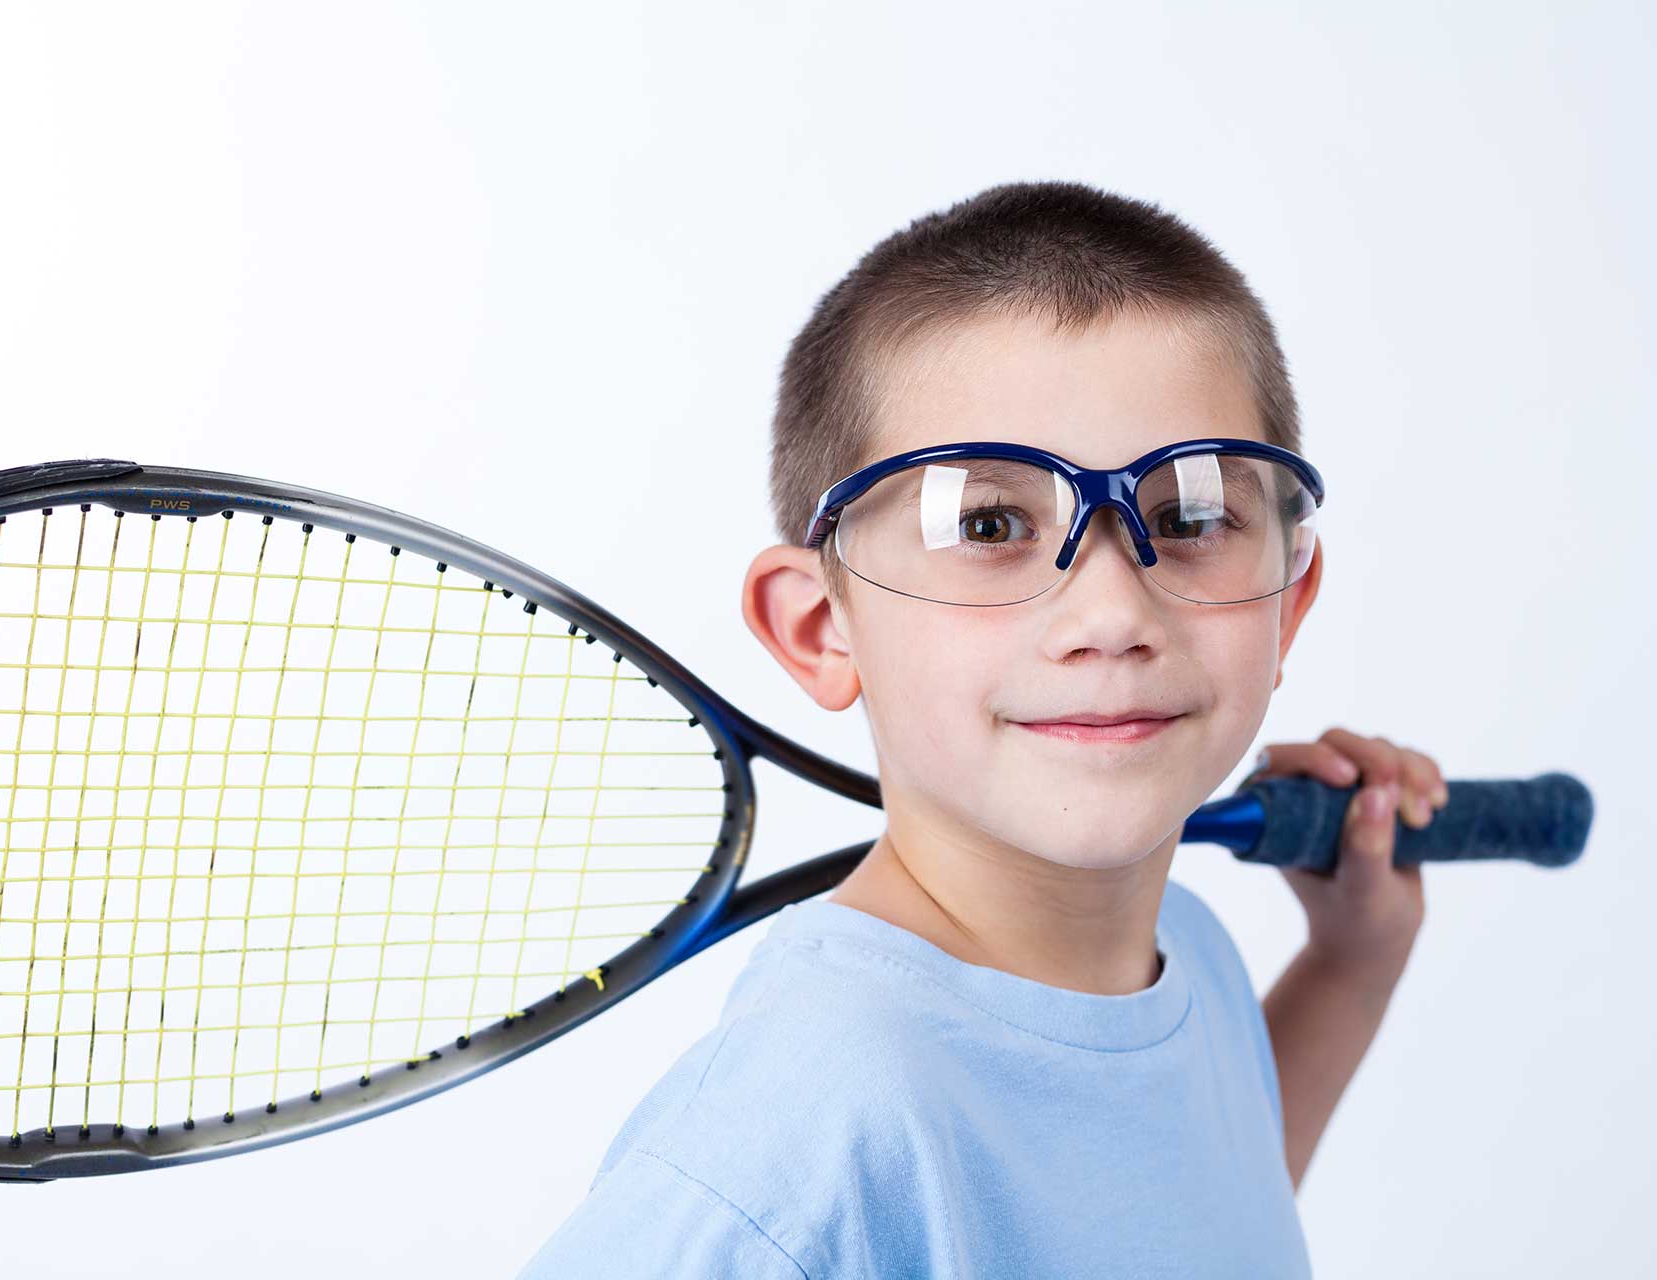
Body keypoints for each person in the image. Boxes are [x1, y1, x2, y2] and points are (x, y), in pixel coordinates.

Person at [518, 179, 1443, 1277]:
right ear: (822, 624)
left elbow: (1168, 1211)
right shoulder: (802, 1140)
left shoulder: (1185, 948)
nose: (1111, 613)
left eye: (1190, 517)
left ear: (1286, 598)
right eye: (989, 522)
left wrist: (1353, 961)